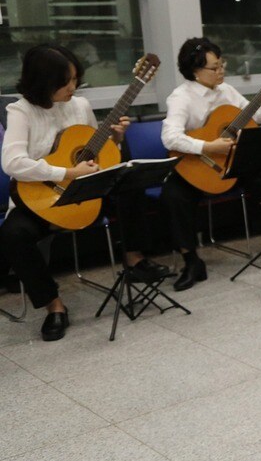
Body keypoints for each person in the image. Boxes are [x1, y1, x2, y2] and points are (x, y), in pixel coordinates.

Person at [0, 45, 167, 340]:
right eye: (65, 82)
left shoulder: (80, 106)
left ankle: (134, 259)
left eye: (75, 79)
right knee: (14, 234)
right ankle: (54, 305)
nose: (72, 88)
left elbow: (94, 155)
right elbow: (12, 163)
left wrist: (114, 139)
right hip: (40, 200)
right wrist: (65, 173)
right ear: (42, 82)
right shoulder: (20, 111)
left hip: (85, 194)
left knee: (131, 185)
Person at [161, 37, 261, 290]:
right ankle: (191, 261)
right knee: (173, 196)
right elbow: (170, 137)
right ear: (195, 71)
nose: (221, 71)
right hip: (197, 165)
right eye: (215, 67)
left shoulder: (227, 91)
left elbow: (254, 118)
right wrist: (208, 146)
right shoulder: (181, 97)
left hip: (228, 162)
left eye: (222, 65)